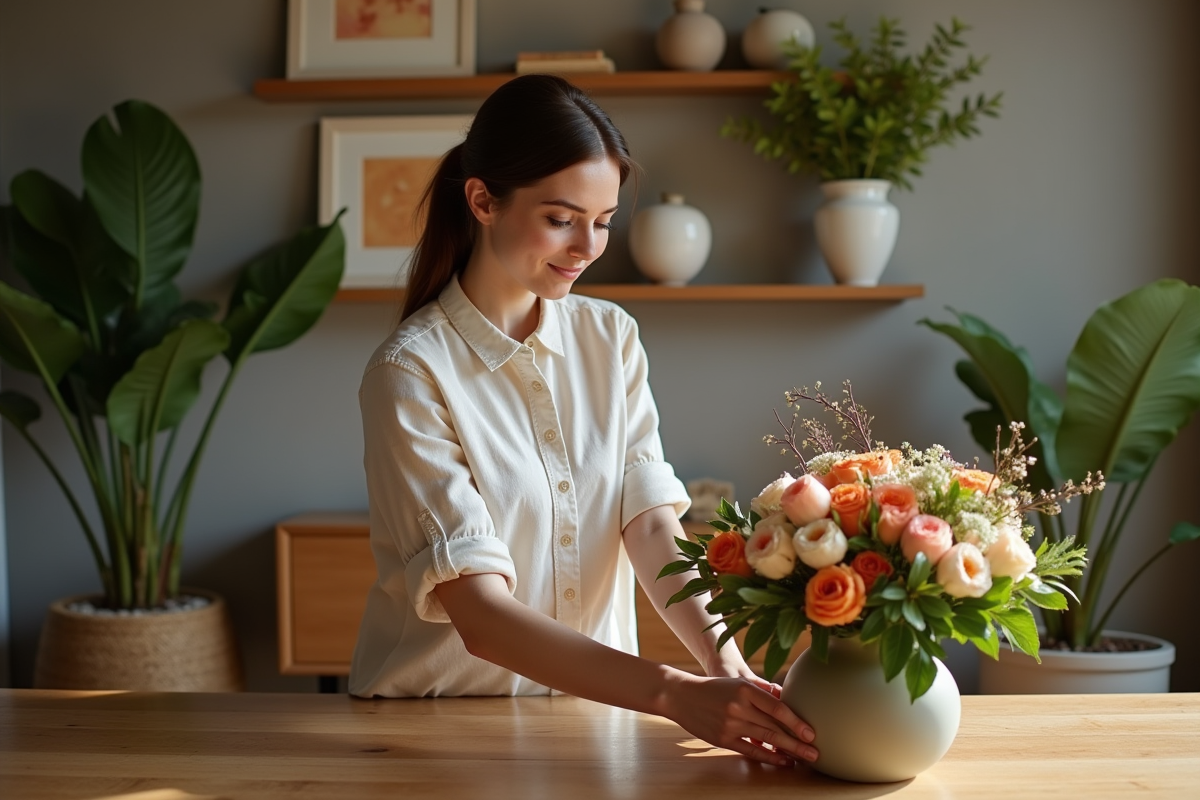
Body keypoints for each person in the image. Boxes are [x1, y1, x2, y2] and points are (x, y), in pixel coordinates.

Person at [349, 73, 817, 768]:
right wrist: (671, 693)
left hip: (592, 723)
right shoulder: (411, 372)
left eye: (602, 222)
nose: (587, 247)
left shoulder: (611, 338)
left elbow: (650, 524)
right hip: (437, 734)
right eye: (561, 218)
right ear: (482, 199)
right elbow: (479, 617)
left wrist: (726, 668)